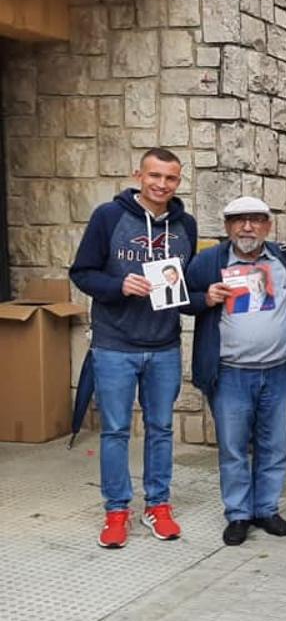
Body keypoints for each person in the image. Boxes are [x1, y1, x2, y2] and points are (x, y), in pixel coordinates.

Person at [69, 148, 199, 548]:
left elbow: (183, 287)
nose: (162, 185)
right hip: (115, 345)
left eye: (171, 178)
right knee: (116, 431)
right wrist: (118, 286)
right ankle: (116, 510)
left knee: (161, 429)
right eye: (154, 176)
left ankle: (157, 505)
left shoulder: (186, 226)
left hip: (163, 345)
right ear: (138, 175)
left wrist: (207, 296)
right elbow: (82, 273)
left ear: (179, 182)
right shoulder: (109, 217)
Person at [186, 197, 286, 546]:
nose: (247, 227)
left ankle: (266, 508)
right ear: (227, 226)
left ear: (268, 225)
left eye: (255, 220)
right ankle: (237, 514)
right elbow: (179, 297)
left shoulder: (282, 260)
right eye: (238, 221)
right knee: (233, 448)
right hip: (231, 373)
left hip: (276, 371)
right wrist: (206, 298)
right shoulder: (209, 261)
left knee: (274, 446)